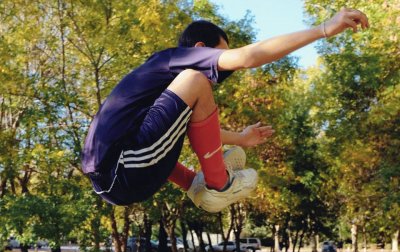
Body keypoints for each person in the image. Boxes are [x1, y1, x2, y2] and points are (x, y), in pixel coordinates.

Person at [82, 8, 369, 213]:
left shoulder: (153, 86)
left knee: (179, 122)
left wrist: (241, 139)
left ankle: (195, 184)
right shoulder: (176, 62)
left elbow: (182, 135)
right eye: (218, 66)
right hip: (122, 169)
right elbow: (247, 57)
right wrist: (323, 29)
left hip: (117, 177)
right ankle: (220, 185)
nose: (216, 78)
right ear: (199, 49)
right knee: (194, 80)